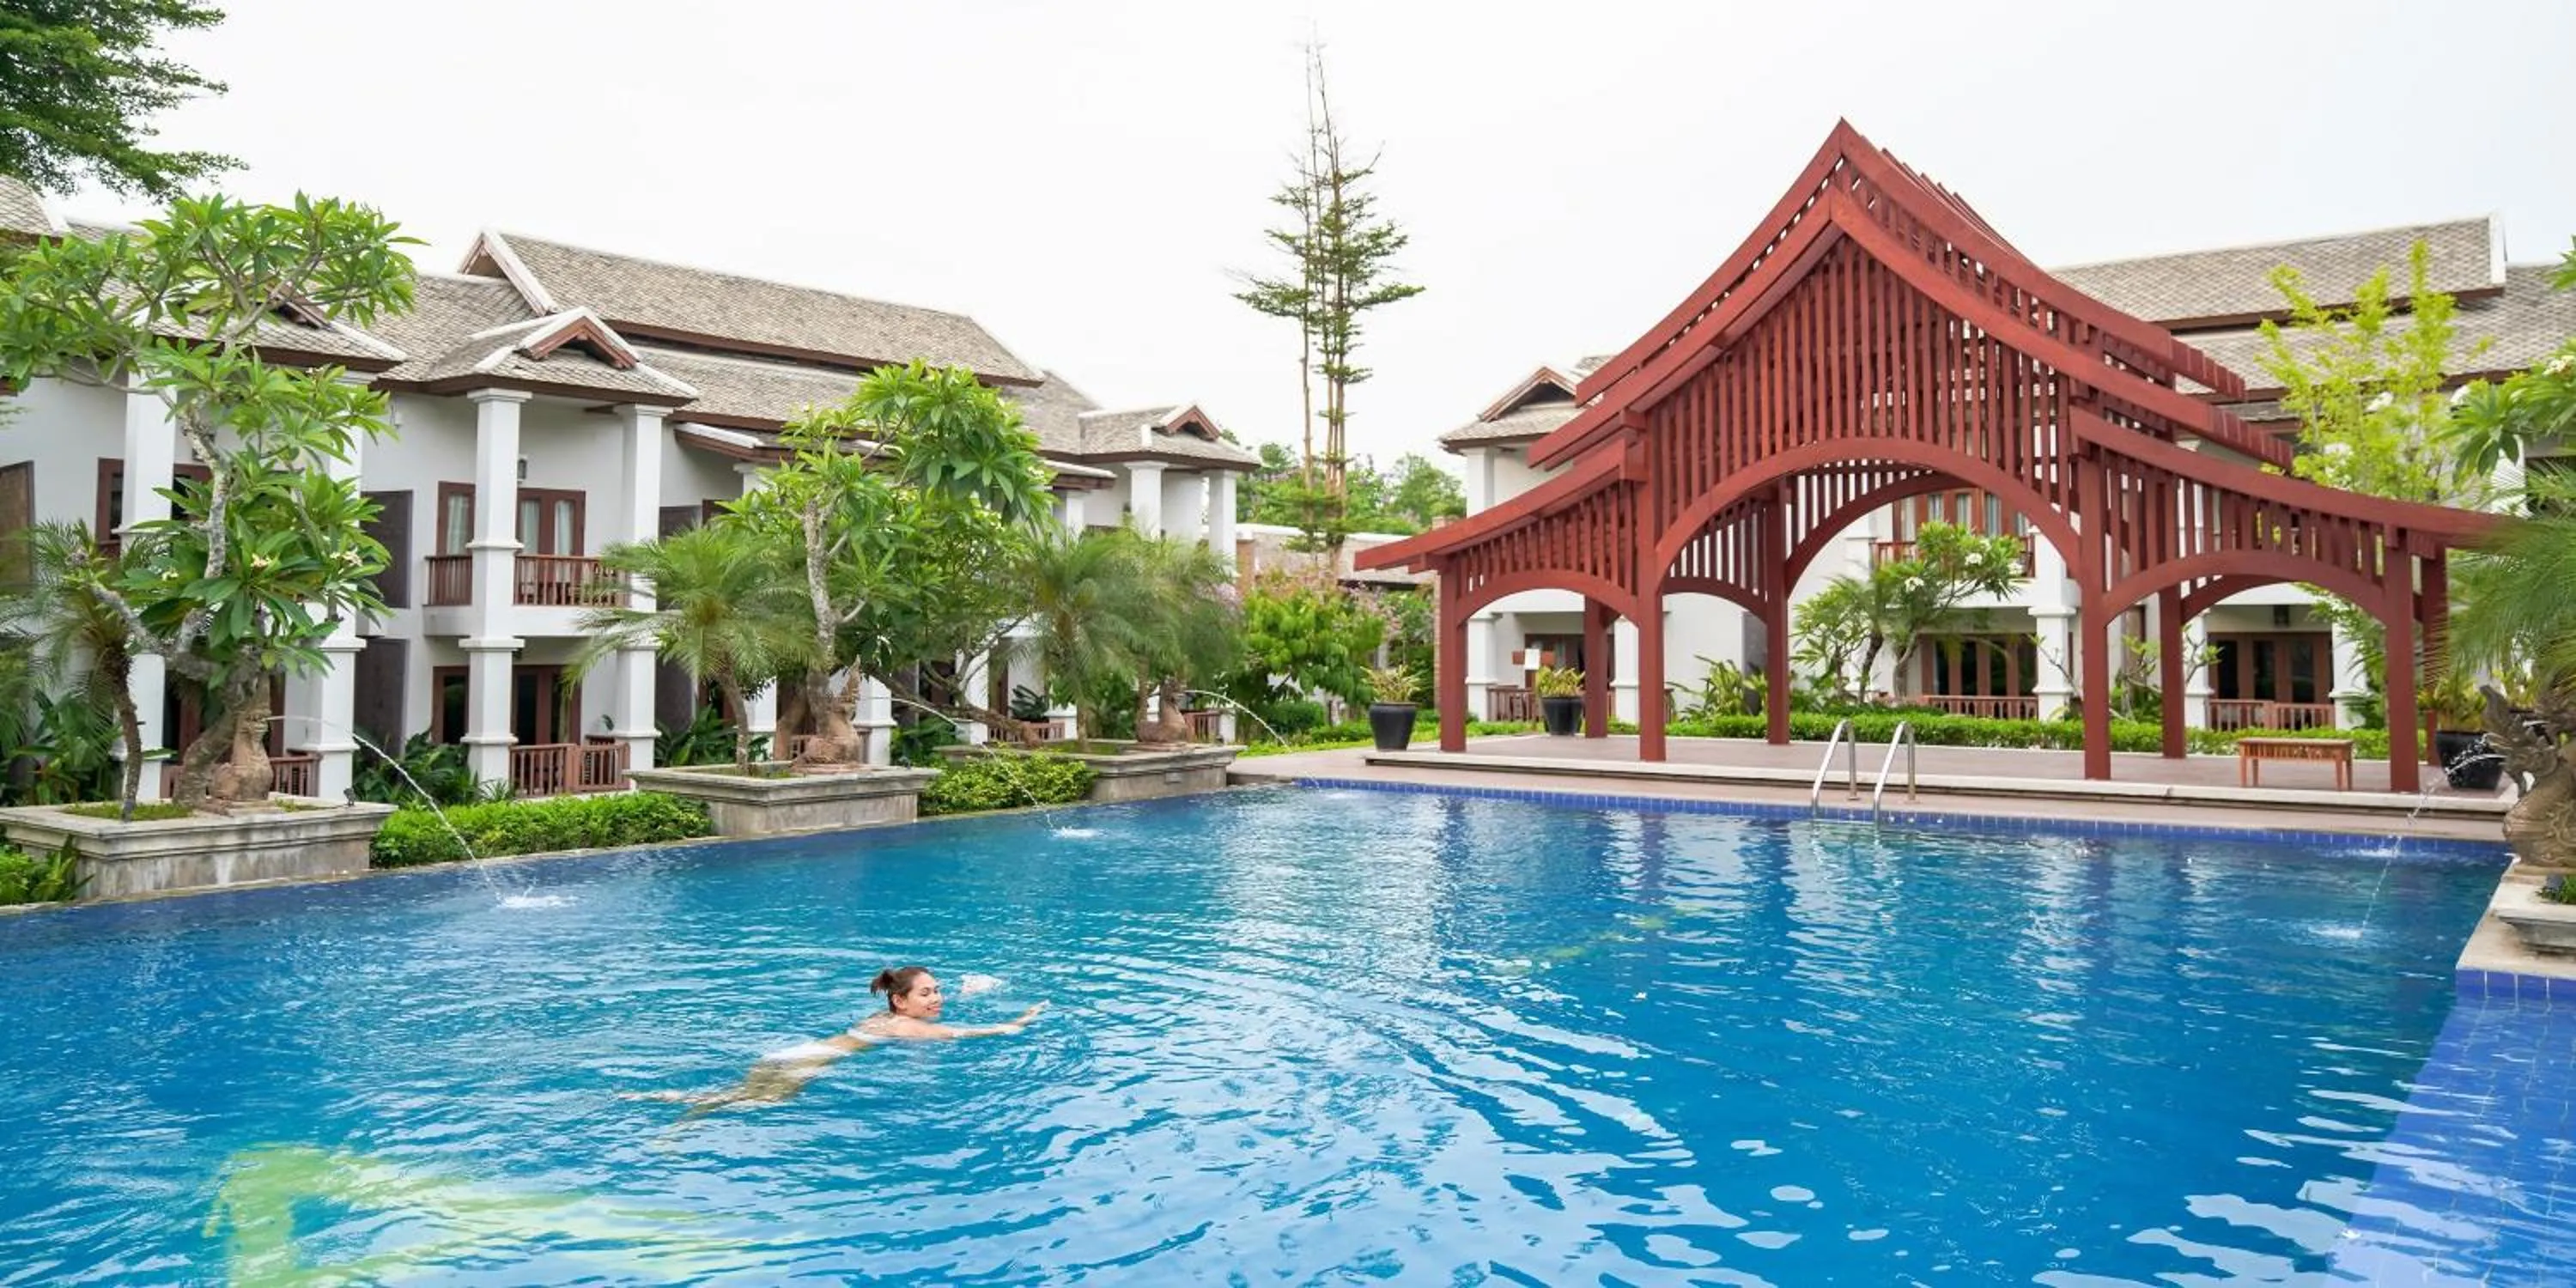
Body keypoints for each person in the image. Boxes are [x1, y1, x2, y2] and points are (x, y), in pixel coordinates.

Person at [633, 966, 1046, 1121]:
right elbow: (978, 1034)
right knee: (753, 1102)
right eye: (927, 994)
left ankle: (658, 1096)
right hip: (806, 1064)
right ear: (900, 1001)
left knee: (737, 1093)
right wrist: (1021, 1019)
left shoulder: (883, 1017)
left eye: (938, 990)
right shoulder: (906, 1028)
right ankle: (679, 1121)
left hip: (793, 1053)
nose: (937, 998)